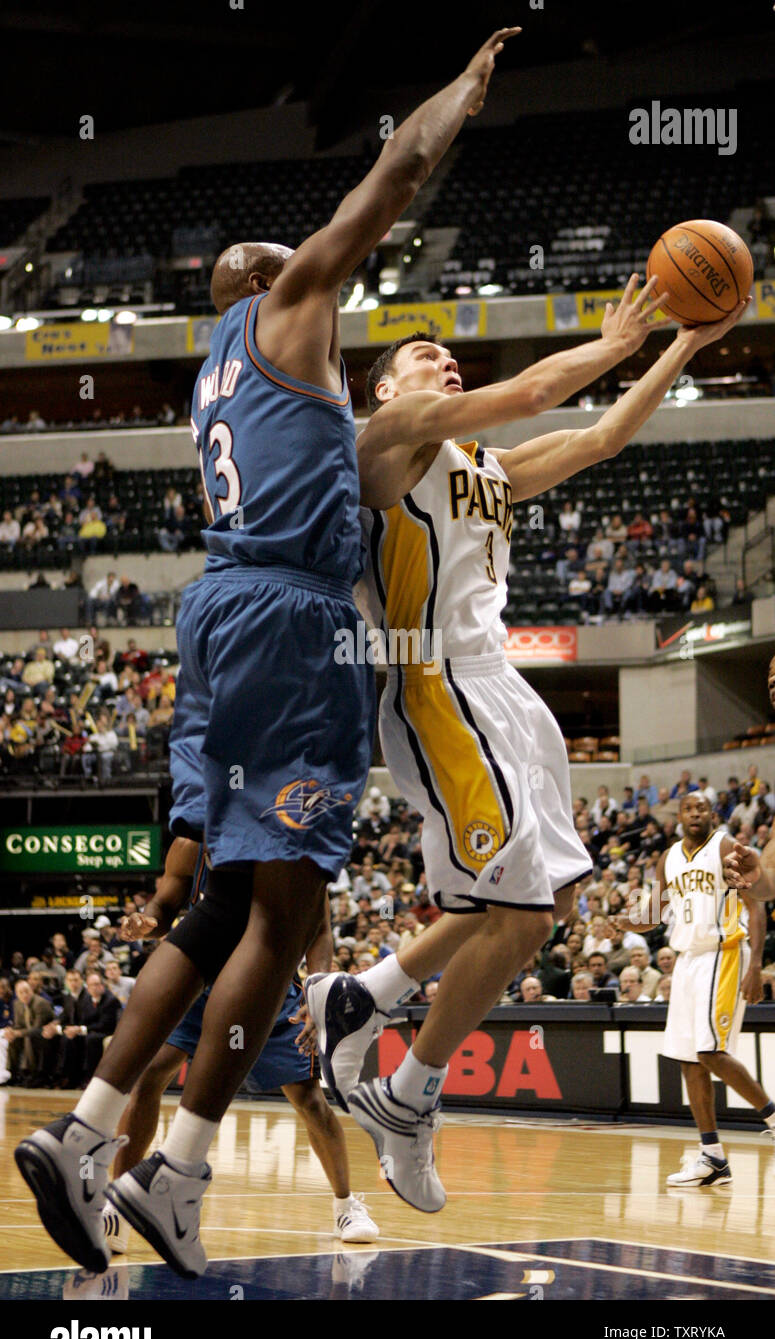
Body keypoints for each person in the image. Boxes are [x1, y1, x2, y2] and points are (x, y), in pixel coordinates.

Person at [15, 27, 520, 1278]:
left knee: (223, 906)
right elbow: (391, 181)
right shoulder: (289, 310)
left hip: (225, 612)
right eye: (291, 262)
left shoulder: (215, 379)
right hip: (296, 624)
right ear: (265, 281)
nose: (316, 267)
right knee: (287, 919)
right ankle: (177, 1163)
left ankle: (89, 1130)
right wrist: (454, 93)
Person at [308, 288, 749, 1211]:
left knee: (540, 908)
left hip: (503, 688)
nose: (439, 358)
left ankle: (367, 1001)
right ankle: (407, 1092)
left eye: (443, 350)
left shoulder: (481, 467)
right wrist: (610, 341)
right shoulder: (386, 443)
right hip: (436, 682)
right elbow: (531, 391)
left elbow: (599, 439)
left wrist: (681, 345)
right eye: (420, 353)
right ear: (383, 389)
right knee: (513, 909)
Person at [100, 837, 378, 1255]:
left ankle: (345, 1204)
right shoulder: (191, 844)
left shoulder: (294, 843)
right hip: (199, 975)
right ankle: (119, 1203)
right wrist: (146, 921)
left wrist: (318, 989)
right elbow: (164, 907)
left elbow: (319, 928)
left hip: (269, 981)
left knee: (309, 1100)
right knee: (149, 1075)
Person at [652, 793, 775, 1186]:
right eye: (688, 808)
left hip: (722, 953)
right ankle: (713, 1158)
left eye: (701, 808)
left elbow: (756, 902)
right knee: (690, 1060)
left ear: (712, 814)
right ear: (679, 816)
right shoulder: (667, 858)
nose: (694, 813)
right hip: (687, 959)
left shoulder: (724, 846)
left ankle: (772, 1115)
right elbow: (653, 911)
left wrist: (755, 963)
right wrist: (625, 921)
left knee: (710, 1051)